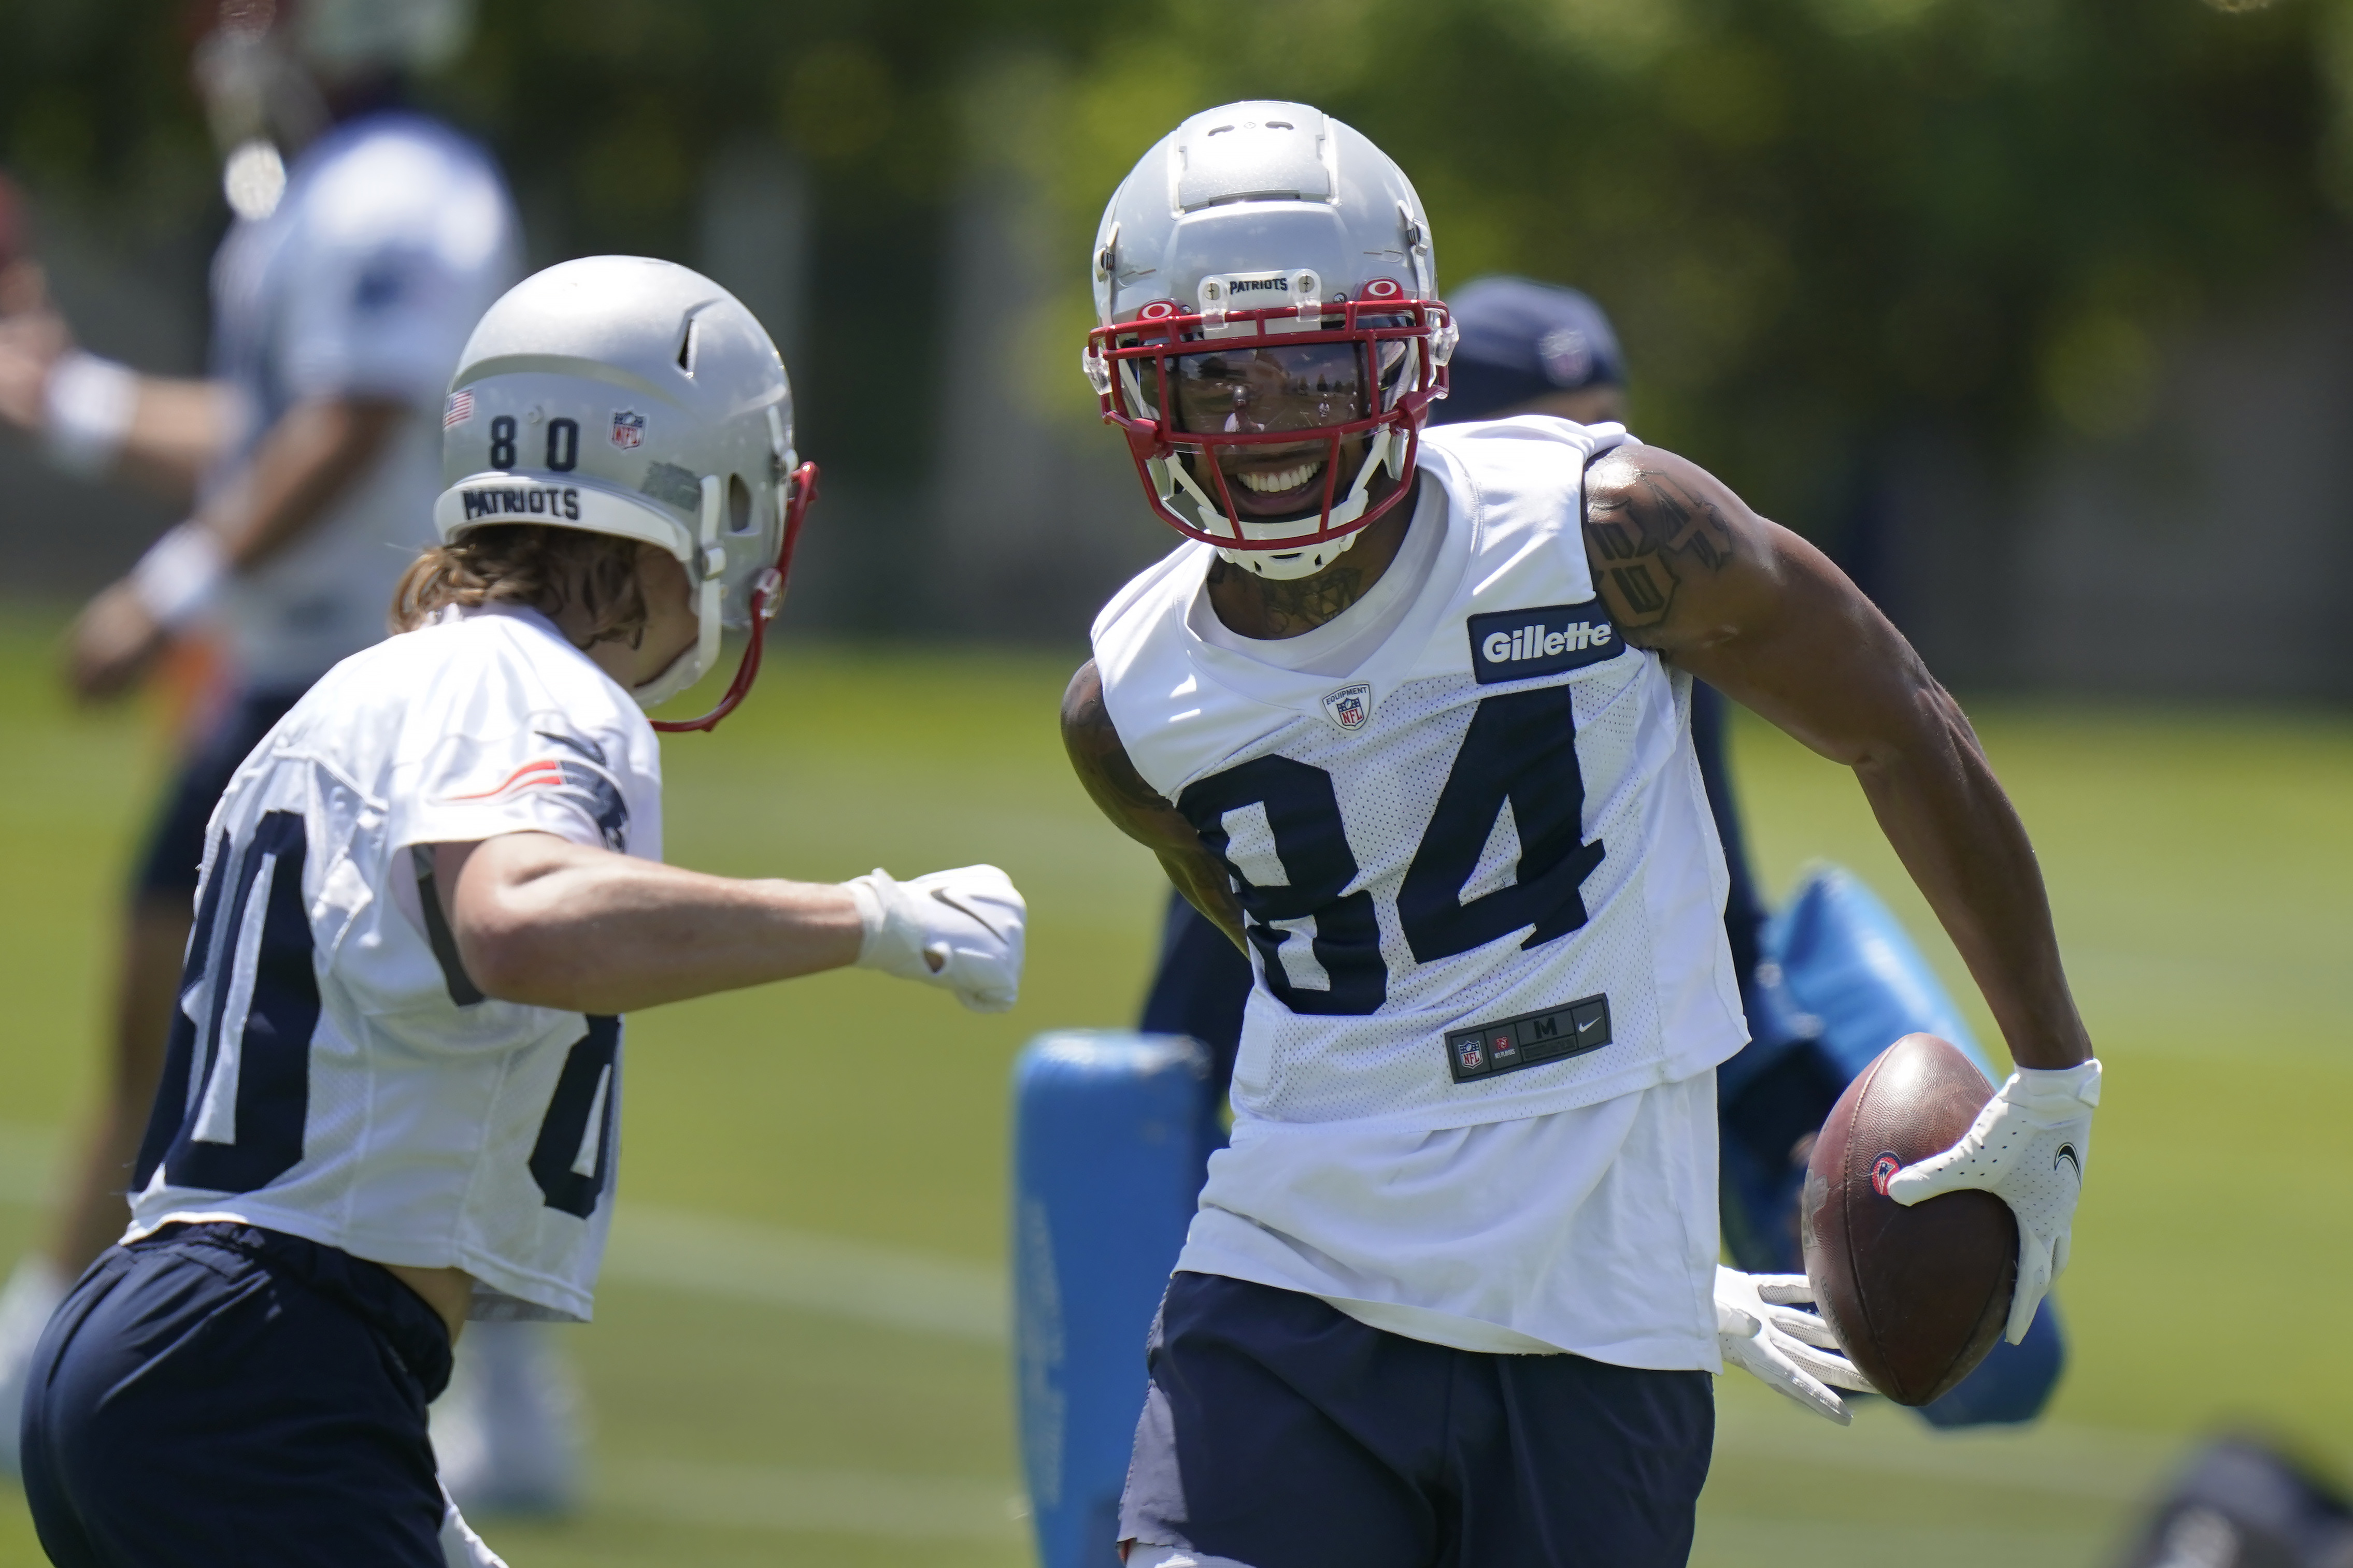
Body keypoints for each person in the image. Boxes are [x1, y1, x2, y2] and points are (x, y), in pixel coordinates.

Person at [1062, 102, 2101, 1567]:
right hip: (1287, 1287)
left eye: (1309, 365)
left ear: (1407, 352)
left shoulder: (1605, 526)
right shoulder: (1128, 705)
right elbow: (1306, 966)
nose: (1267, 425)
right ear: (1132, 383)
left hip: (1600, 1331)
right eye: (1211, 378)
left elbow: (1894, 713)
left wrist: (2051, 1068)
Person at [16, 253, 1028, 1566]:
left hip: (195, 1343)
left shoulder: (380, 687)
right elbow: (518, 918)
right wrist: (868, 918)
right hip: (262, 1355)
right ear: (707, 493)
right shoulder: (540, 689)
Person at [0, 0, 553, 1501]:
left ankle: (503, 1389)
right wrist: (69, 405)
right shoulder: (320, 187)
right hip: (288, 673)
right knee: (175, 1016)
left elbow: (354, 424)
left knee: (418, 1039)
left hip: (378, 669)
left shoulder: (403, 190)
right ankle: (58, 1331)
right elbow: (266, 429)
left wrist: (169, 588)